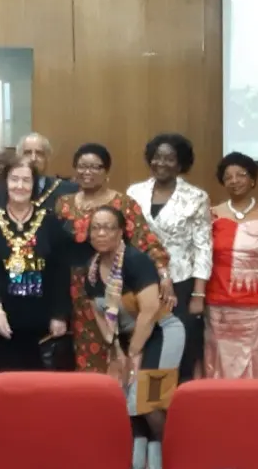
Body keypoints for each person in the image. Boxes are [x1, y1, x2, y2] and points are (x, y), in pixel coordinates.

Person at [54, 144, 171, 373]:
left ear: (107, 171)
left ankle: (120, 403)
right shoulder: (63, 204)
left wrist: (164, 274)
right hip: (75, 289)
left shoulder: (123, 204)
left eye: (95, 167)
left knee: (117, 349)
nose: (87, 172)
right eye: (82, 167)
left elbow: (146, 241)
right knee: (83, 353)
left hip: (115, 286)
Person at [85, 206, 184, 438]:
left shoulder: (135, 261)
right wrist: (116, 349)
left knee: (148, 402)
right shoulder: (91, 269)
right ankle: (138, 466)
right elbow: (98, 312)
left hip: (161, 334)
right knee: (126, 402)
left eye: (108, 228)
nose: (101, 233)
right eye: (96, 228)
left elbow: (148, 312)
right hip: (128, 341)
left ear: (121, 232)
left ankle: (170, 455)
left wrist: (132, 354)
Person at [127, 133, 212, 380]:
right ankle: (144, 411)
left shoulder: (197, 197)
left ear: (181, 163)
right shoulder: (134, 192)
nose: (161, 163)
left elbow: (203, 247)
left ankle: (178, 408)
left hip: (181, 283)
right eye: (157, 157)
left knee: (180, 349)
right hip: (141, 281)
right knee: (145, 343)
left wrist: (198, 294)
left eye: (170, 159)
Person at [0, 156, 70, 370]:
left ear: (34, 185)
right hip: (3, 318)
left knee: (41, 387)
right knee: (7, 384)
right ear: (5, 182)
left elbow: (60, 272)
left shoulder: (50, 222)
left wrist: (60, 315)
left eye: (26, 180)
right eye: (14, 179)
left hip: (44, 321)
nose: (20, 186)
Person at [205, 152, 258, 380]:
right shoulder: (212, 215)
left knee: (252, 355)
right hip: (218, 302)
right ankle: (217, 408)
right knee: (217, 355)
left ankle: (249, 408)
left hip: (255, 303)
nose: (234, 181)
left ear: (253, 179)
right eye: (228, 177)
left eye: (241, 175)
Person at [9, 132, 79, 211]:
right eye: (28, 153)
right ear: (19, 157)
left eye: (39, 153)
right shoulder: (4, 192)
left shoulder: (68, 191)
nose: (33, 158)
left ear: (47, 158)